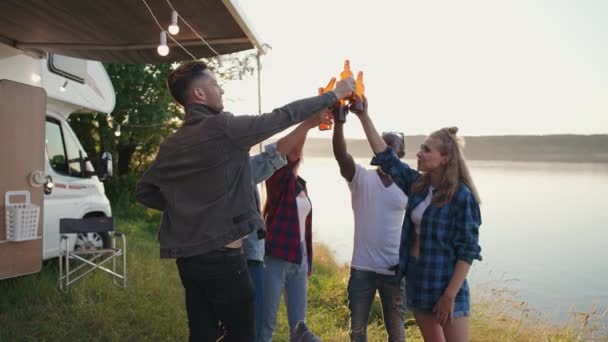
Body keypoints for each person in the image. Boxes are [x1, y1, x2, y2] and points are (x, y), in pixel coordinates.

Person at [134, 61, 355, 342]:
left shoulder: (171, 145)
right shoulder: (224, 128)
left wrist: (189, 207)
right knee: (242, 335)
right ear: (199, 94)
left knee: (201, 333)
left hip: (189, 260)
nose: (221, 89)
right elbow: (281, 116)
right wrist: (334, 94)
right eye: (215, 84)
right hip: (224, 259)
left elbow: (144, 191)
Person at [354, 98, 482, 342]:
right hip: (419, 281)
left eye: (426, 150)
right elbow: (386, 157)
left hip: (446, 286)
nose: (418, 153)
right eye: (421, 148)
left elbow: (468, 251)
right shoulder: (418, 186)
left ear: (445, 158)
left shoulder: (462, 197)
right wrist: (363, 116)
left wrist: (449, 295)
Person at [246, 112, 332, 339]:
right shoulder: (277, 181)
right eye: (295, 153)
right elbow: (290, 151)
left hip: (299, 257)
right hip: (276, 256)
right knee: (267, 322)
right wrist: (308, 125)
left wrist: (308, 261)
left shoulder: (300, 185)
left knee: (299, 324)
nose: (298, 155)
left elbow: (304, 229)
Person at [332, 113, 408, 341]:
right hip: (362, 270)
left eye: (391, 147)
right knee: (357, 333)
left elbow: (420, 228)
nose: (385, 150)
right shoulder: (361, 178)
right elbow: (340, 155)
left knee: (397, 333)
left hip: (394, 272)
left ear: (401, 154)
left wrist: (408, 263)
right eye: (381, 144)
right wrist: (339, 123)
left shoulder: (409, 184)